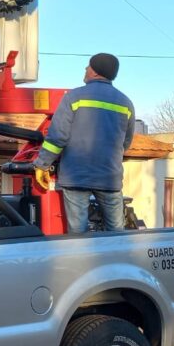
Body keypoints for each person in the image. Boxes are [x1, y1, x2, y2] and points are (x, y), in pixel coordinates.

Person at [33, 53, 135, 233]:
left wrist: (42, 164)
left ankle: (82, 261)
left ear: (95, 72)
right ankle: (116, 260)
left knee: (78, 235)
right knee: (117, 233)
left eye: (88, 66)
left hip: (76, 176)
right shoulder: (126, 103)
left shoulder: (74, 97)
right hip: (109, 178)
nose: (85, 69)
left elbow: (58, 137)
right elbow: (125, 143)